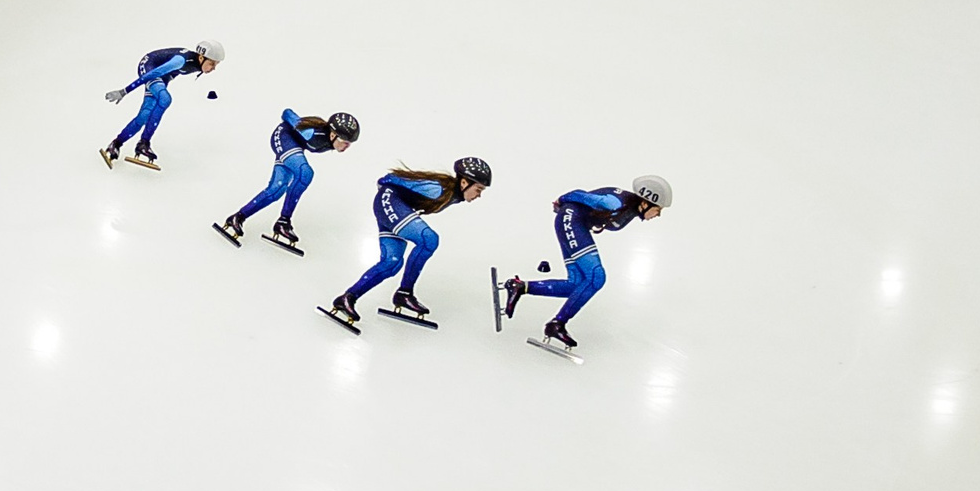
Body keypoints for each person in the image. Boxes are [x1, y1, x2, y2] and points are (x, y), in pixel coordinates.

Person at [500, 176, 673, 349]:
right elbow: (579, 195)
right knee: (597, 276)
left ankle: (520, 286)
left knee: (577, 284)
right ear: (645, 203)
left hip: (574, 223)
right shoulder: (616, 203)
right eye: (658, 209)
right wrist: (561, 200)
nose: (658, 215)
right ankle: (557, 324)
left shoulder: (629, 210)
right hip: (572, 220)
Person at [324, 157, 491, 327]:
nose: (479, 195)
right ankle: (405, 293)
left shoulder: (452, 194)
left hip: (394, 207)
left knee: (392, 263)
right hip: (390, 202)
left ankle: (347, 298)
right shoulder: (438, 189)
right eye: (478, 189)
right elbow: (392, 179)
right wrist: (383, 188)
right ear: (464, 182)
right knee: (429, 239)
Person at [214, 109, 359, 251]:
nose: (347, 146)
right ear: (333, 134)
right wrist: (296, 123)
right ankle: (284, 221)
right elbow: (286, 112)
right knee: (305, 173)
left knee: (276, 189)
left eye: (350, 144)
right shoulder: (312, 133)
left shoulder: (329, 140)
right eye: (345, 142)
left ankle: (237, 218)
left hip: (294, 145)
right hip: (284, 137)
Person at [100, 40, 226, 168]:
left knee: (145, 114)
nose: (213, 68)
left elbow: (172, 73)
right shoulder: (181, 60)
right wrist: (124, 91)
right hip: (150, 67)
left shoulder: (197, 64)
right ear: (201, 57)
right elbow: (153, 74)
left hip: (163, 76)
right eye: (211, 64)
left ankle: (116, 144)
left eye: (216, 65)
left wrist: (166, 81)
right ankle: (144, 142)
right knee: (165, 99)